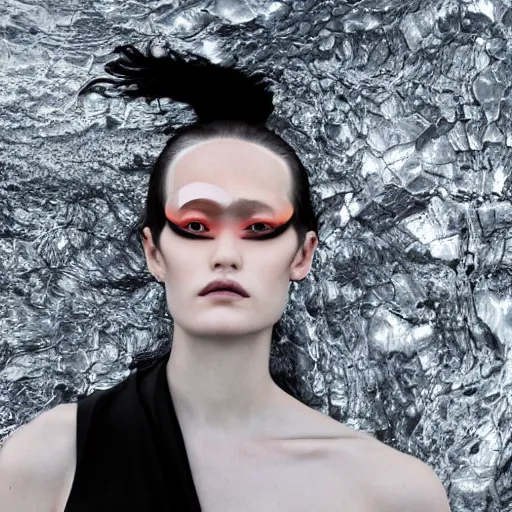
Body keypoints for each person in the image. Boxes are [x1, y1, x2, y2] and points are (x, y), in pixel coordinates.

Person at [0, 42, 451, 512]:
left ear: (302, 254)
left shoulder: (391, 493)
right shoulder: (47, 462)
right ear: (154, 252)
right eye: (196, 226)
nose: (226, 254)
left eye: (258, 228)